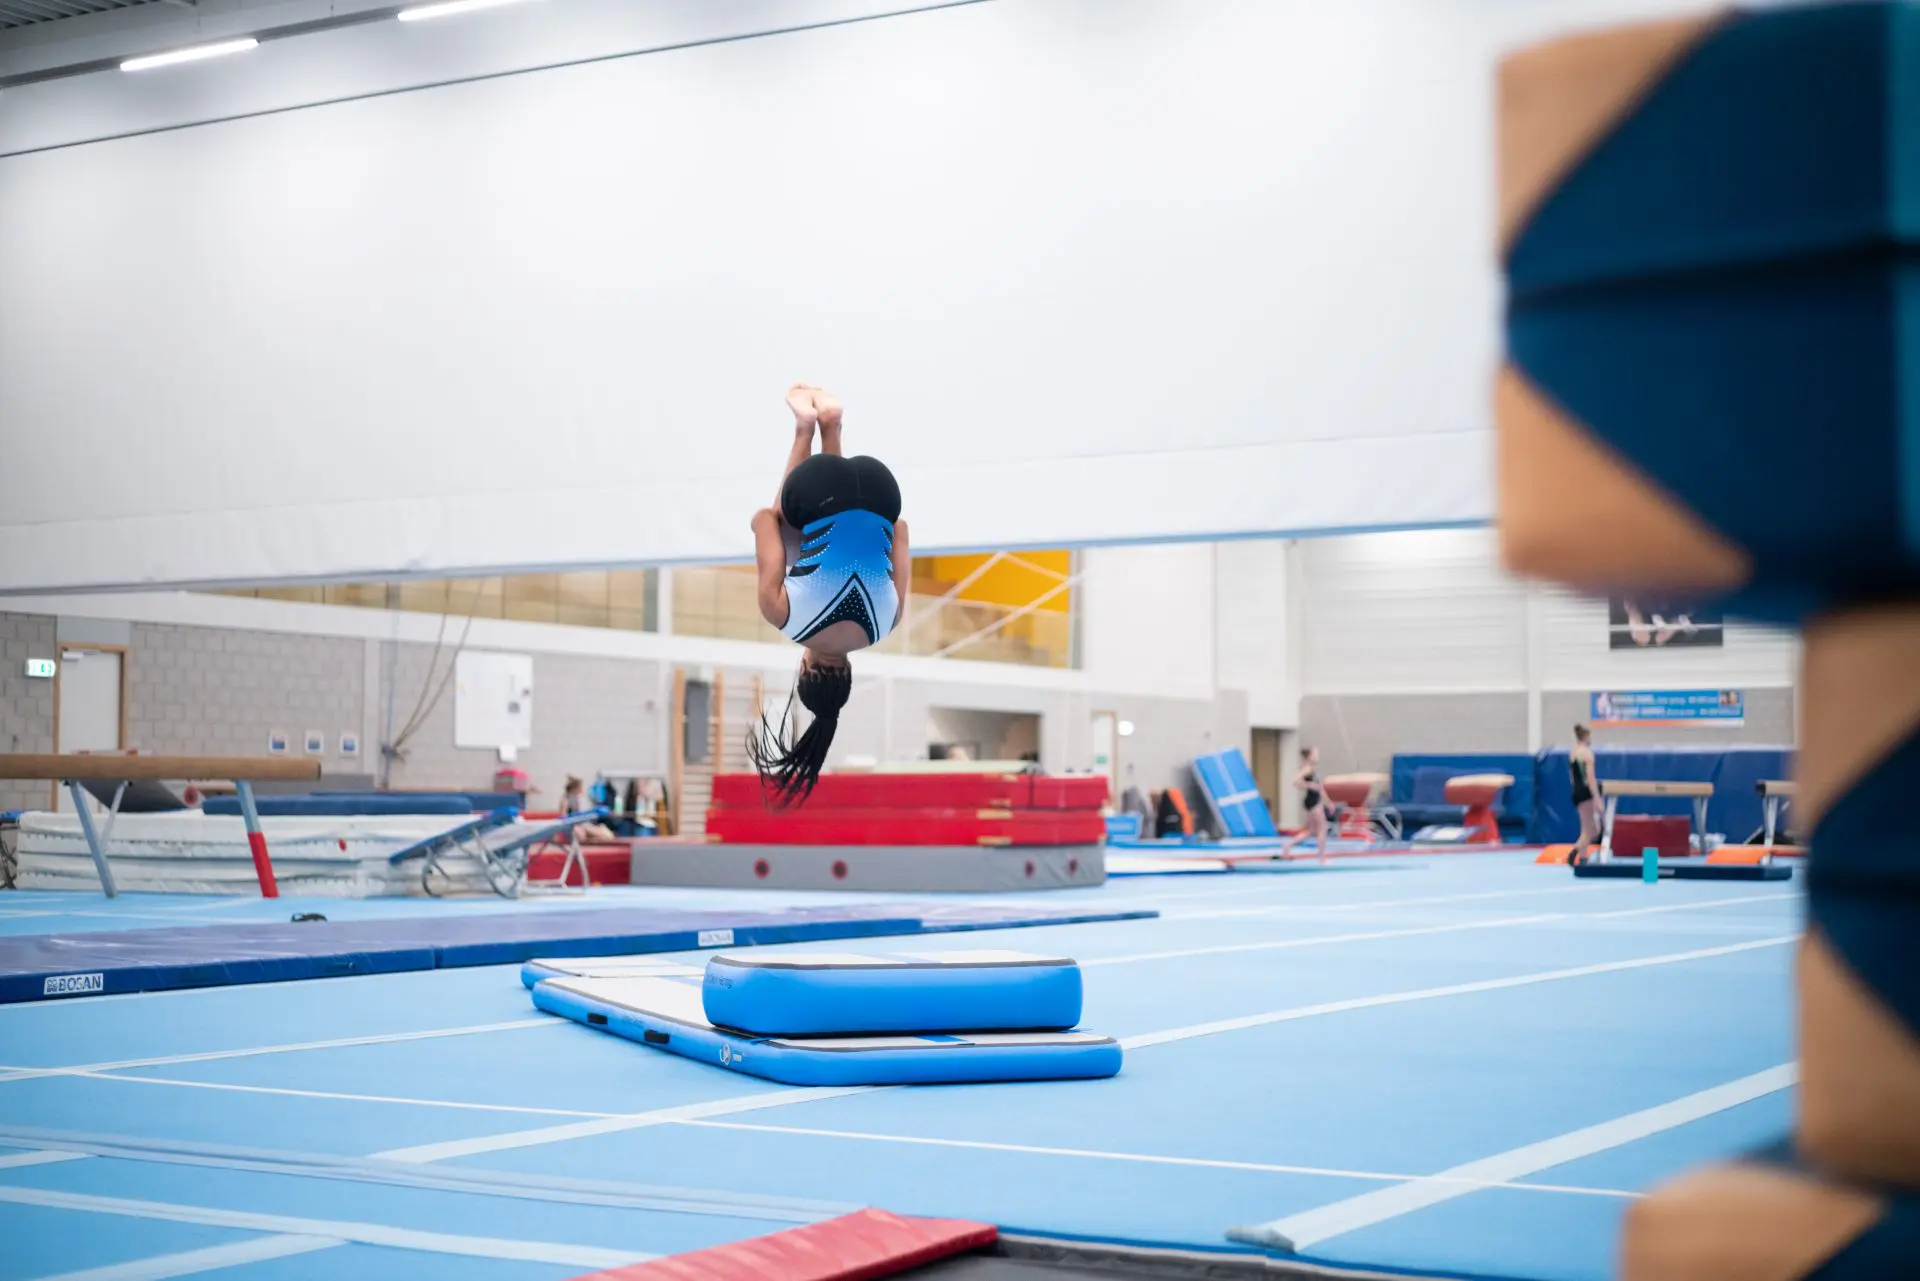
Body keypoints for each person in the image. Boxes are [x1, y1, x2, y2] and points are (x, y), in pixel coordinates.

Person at [749, 384, 909, 805]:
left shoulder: (887, 624)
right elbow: (762, 520)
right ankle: (805, 427)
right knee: (785, 525)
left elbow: (902, 531)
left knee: (825, 531)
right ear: (804, 670)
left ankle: (832, 424)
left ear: (848, 673)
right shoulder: (784, 616)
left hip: (881, 487)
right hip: (817, 486)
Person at [1287, 746, 1329, 860]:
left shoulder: (1311, 768)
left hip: (1314, 800)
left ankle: (1287, 846)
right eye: (1315, 753)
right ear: (1310, 756)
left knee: (1312, 831)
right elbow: (1295, 781)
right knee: (1322, 828)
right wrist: (1310, 785)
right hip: (1312, 801)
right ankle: (1322, 858)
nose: (1317, 756)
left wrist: (1329, 802)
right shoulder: (1307, 769)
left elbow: (1320, 788)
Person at [1569, 724, 1601, 865]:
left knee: (1591, 828)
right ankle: (1577, 854)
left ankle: (1582, 857)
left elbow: (1572, 776)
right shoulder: (1587, 754)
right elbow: (1590, 778)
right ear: (1586, 737)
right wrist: (1597, 797)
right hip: (1585, 792)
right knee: (1587, 830)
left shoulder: (1573, 753)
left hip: (1576, 791)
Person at [559, 776, 617, 843]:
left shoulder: (576, 799)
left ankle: (590, 838)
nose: (582, 790)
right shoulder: (565, 800)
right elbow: (563, 819)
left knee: (608, 836)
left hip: (580, 824)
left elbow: (578, 816)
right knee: (581, 835)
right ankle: (587, 839)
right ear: (574, 789)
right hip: (571, 827)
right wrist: (575, 828)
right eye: (580, 788)